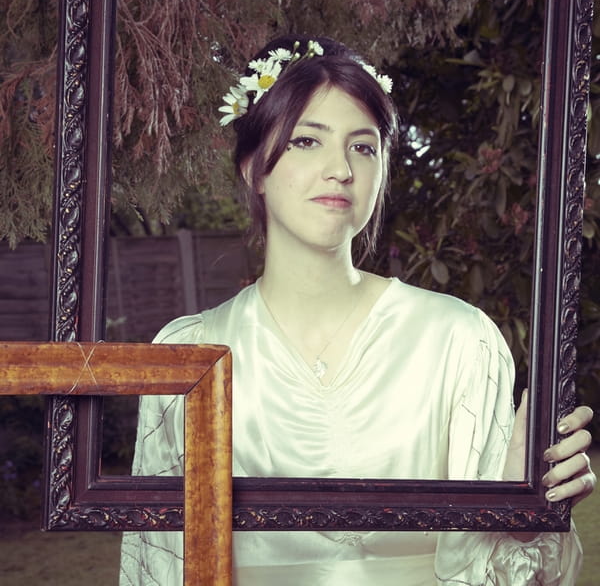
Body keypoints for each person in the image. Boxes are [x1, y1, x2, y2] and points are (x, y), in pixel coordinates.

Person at [120, 35, 596, 585]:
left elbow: (504, 568)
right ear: (254, 167)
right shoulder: (187, 357)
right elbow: (158, 564)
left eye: (363, 146)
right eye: (306, 141)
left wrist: (522, 514)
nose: (340, 169)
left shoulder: (460, 341)